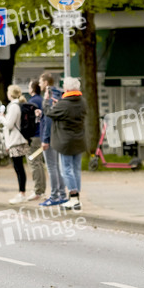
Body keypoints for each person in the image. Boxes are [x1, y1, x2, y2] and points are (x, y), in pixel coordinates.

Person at [44, 77, 87, 211]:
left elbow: (49, 112)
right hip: (79, 140)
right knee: (76, 169)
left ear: (67, 89)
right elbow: (68, 111)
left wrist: (46, 101)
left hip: (66, 142)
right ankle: (76, 198)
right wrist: (59, 104)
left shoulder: (64, 104)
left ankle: (73, 198)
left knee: (66, 170)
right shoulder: (82, 102)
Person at [0, 85, 33, 204]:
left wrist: (1, 117)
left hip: (15, 140)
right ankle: (21, 192)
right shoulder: (19, 105)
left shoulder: (13, 106)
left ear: (10, 94)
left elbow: (9, 125)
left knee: (18, 168)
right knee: (19, 167)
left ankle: (22, 193)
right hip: (20, 139)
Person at [37, 73, 66, 206]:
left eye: (40, 82)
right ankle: (62, 194)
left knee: (51, 167)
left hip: (50, 137)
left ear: (46, 83)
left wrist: (45, 139)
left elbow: (49, 119)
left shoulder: (49, 96)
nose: (39, 84)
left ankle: (54, 196)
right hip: (57, 135)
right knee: (57, 167)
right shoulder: (57, 95)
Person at [24, 81, 46, 198]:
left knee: (33, 163)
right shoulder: (42, 100)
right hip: (41, 135)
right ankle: (41, 189)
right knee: (39, 163)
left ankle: (38, 191)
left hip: (34, 135)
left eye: (29, 86)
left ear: (32, 89)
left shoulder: (32, 102)